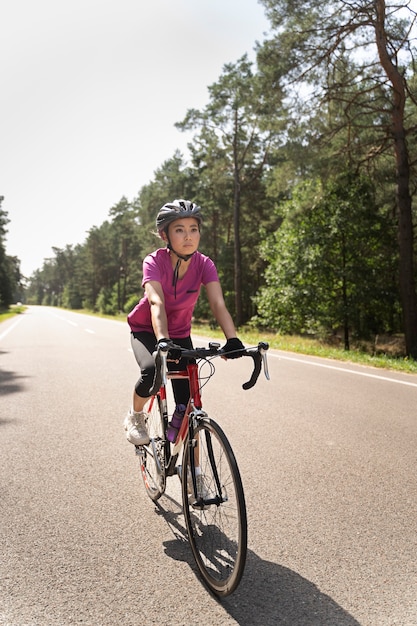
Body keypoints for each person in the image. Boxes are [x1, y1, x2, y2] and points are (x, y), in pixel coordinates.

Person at [124, 198, 244, 446]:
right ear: (164, 235)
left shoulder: (205, 264)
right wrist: (163, 341)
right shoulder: (153, 261)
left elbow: (218, 304)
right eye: (179, 230)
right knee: (151, 372)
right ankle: (135, 417)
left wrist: (232, 339)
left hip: (179, 333)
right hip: (148, 330)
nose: (188, 236)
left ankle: (194, 474)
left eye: (193, 229)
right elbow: (156, 302)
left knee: (187, 409)